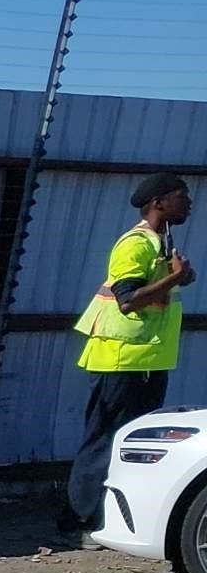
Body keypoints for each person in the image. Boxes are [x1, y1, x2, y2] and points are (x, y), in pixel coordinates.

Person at [63, 172, 194, 541]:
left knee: (131, 445)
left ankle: (109, 520)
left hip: (147, 361)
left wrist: (177, 278)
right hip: (119, 360)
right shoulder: (135, 245)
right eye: (180, 196)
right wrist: (173, 279)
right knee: (104, 441)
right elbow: (127, 300)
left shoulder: (162, 242)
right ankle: (76, 521)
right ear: (158, 203)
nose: (189, 202)